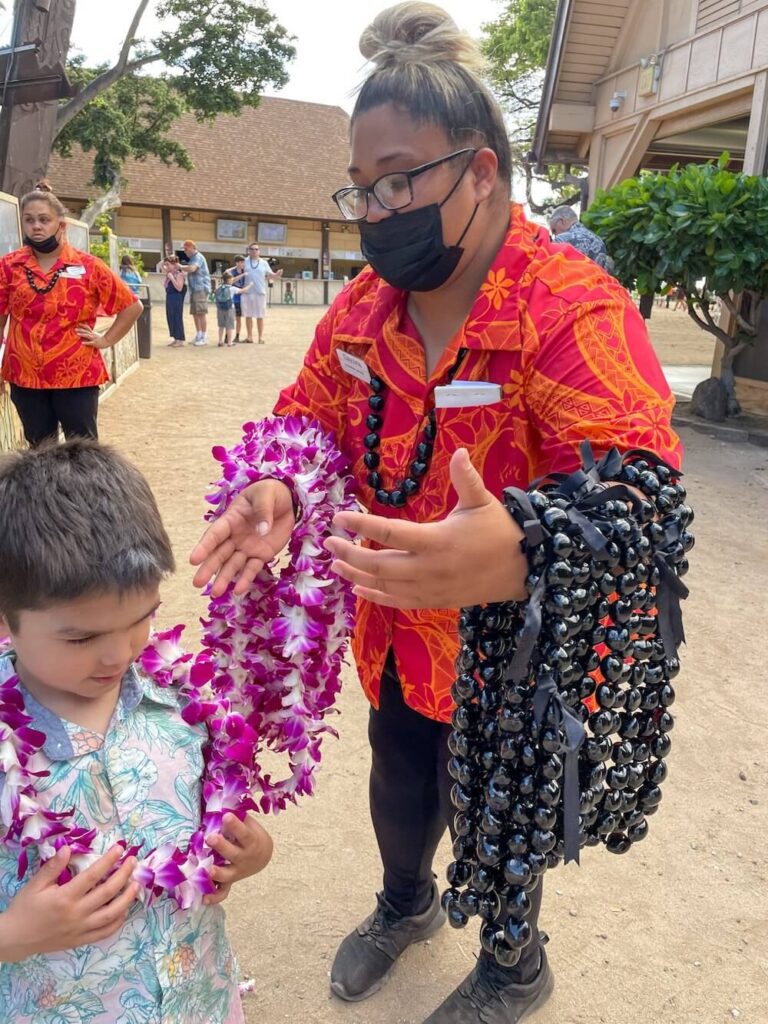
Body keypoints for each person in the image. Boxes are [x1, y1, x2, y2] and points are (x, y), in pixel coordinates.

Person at [189, 5, 681, 1022]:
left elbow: (637, 485)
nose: (379, 208)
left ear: (483, 169)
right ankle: (405, 905)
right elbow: (308, 415)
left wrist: (528, 542)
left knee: (503, 806)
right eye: (364, 188)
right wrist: (277, 484)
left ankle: (514, 964)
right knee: (401, 779)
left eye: (403, 178)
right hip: (395, 633)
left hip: (515, 649)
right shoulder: (364, 307)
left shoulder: (568, 310)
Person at [0, 439, 273, 1023]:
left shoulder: (185, 706)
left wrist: (250, 855)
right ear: (5, 618)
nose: (118, 653)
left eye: (141, 618)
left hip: (197, 998)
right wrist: (15, 935)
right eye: (80, 638)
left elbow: (217, 832)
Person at [0, 182, 141, 446]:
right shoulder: (8, 266)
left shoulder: (88, 266)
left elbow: (132, 306)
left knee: (83, 450)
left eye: (44, 220)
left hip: (76, 374)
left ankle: (87, 490)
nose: (36, 226)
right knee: (40, 450)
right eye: (29, 220)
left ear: (60, 225)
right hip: (25, 374)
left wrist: (106, 340)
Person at [239, 243, 283, 343]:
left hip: (260, 292)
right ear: (248, 251)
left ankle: (260, 337)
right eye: (252, 249)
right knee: (248, 315)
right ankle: (249, 337)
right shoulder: (244, 261)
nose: (254, 251)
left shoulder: (263, 263)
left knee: (260, 316)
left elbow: (271, 275)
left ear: (259, 251)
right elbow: (237, 272)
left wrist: (277, 274)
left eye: (256, 249)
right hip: (247, 292)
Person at [548, 205, 612, 269]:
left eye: (554, 230)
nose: (554, 235)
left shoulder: (561, 240)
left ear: (562, 221)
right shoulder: (599, 240)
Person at [179, 239, 211, 346]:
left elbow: (192, 269)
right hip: (194, 289)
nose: (185, 251)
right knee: (195, 313)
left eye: (186, 249)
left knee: (201, 313)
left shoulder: (198, 257)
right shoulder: (192, 258)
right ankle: (199, 334)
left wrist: (180, 267)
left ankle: (204, 336)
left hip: (201, 288)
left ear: (193, 247)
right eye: (184, 249)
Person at [214, 271, 252, 347]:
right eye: (232, 279)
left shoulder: (219, 287)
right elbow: (242, 290)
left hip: (220, 308)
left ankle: (220, 341)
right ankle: (229, 342)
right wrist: (250, 285)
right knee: (229, 326)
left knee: (221, 326)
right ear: (229, 280)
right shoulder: (232, 288)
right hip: (229, 308)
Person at [163, 253, 187, 346]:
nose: (166, 266)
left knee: (177, 317)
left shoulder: (178, 274)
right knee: (170, 317)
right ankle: (175, 337)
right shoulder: (169, 273)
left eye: (168, 264)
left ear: (174, 265)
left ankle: (180, 339)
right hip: (169, 297)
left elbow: (179, 288)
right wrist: (168, 256)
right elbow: (160, 265)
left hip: (176, 298)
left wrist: (172, 278)